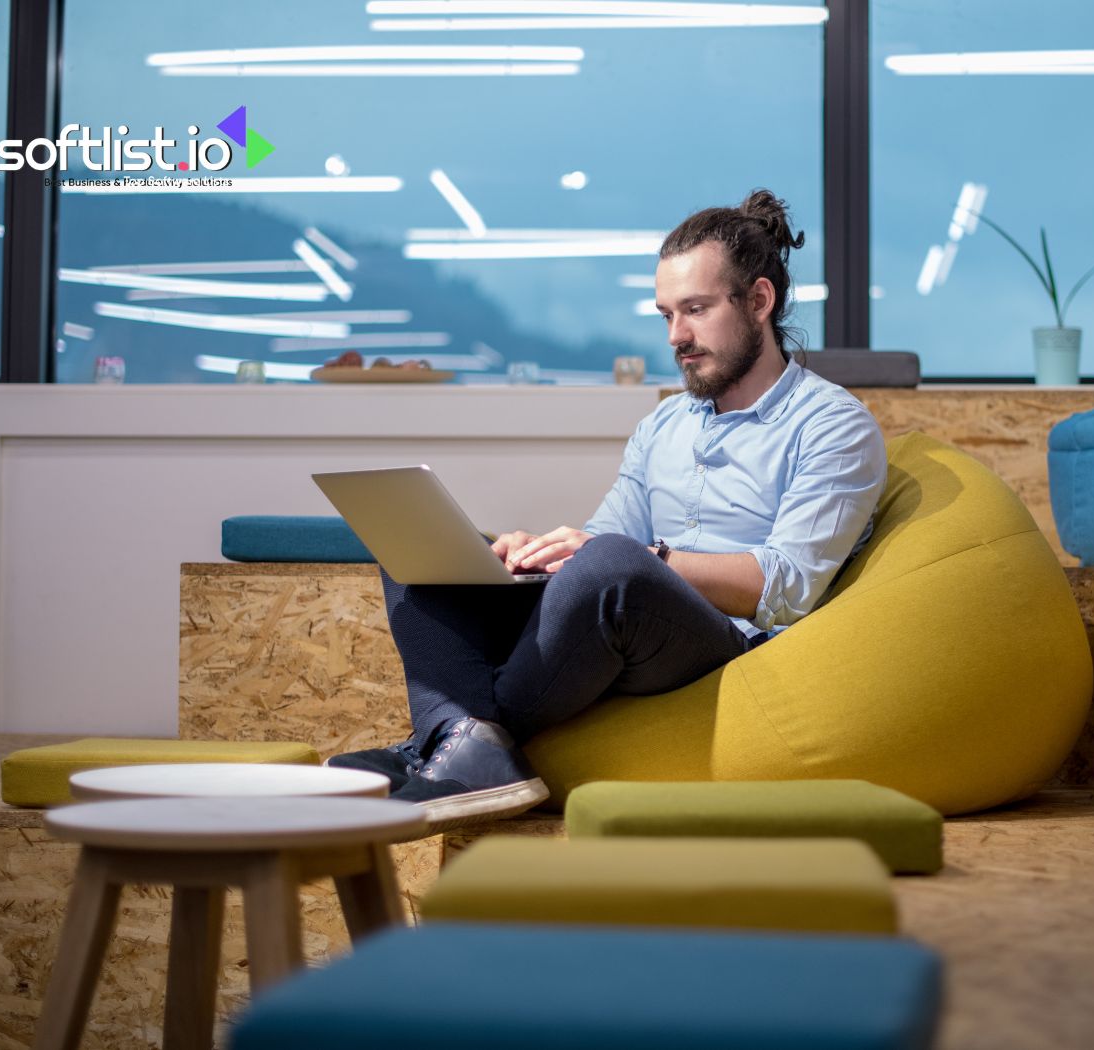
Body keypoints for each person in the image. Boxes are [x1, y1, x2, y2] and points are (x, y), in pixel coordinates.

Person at [330, 190, 888, 824]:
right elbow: (602, 540)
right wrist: (532, 557)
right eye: (666, 315)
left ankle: (447, 740)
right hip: (625, 620)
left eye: (697, 310)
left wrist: (641, 558)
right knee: (419, 552)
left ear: (759, 301)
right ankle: (461, 747)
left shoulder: (833, 425)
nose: (678, 336)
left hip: (732, 647)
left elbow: (788, 588)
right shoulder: (663, 425)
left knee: (613, 567)